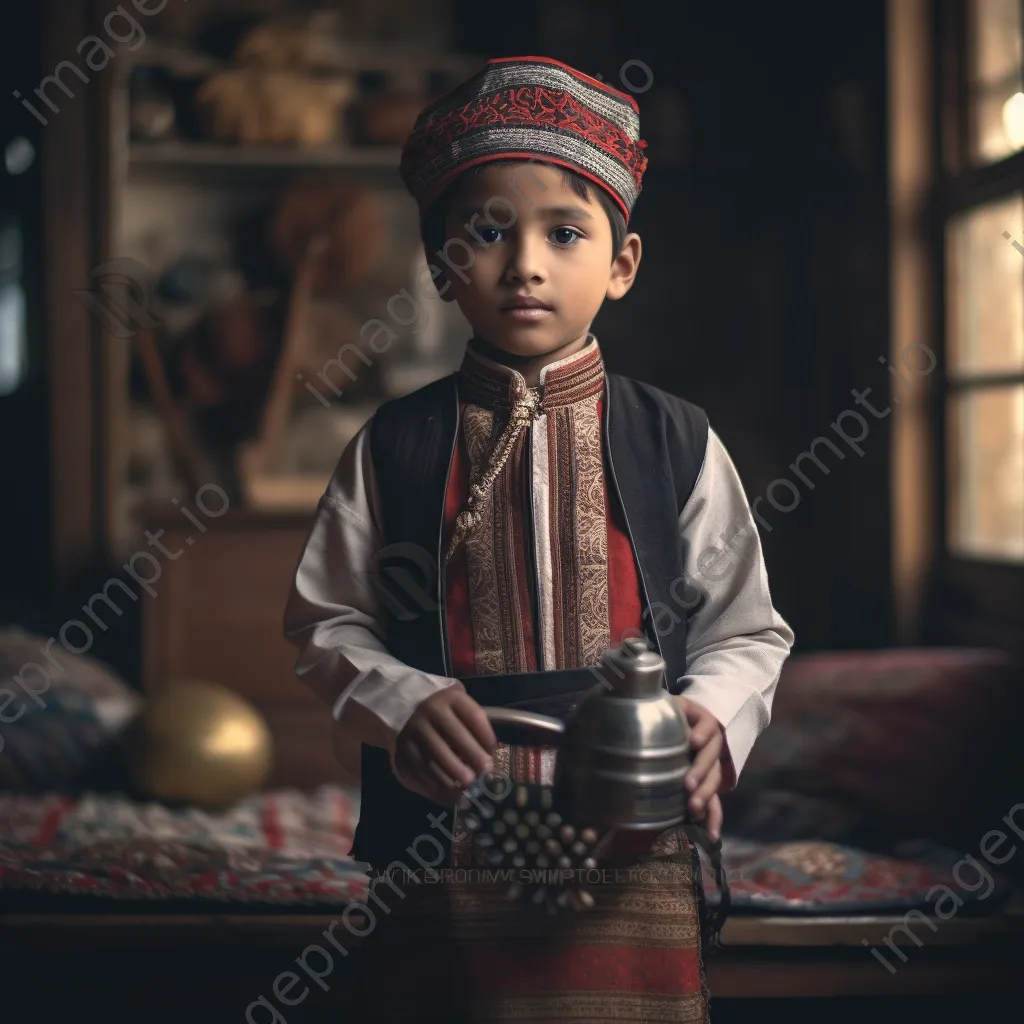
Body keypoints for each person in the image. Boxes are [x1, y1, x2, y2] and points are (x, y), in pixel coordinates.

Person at [284, 55, 794, 1022]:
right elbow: (325, 624)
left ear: (622, 263)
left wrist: (713, 721)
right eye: (486, 231)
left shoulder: (676, 441)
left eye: (565, 232)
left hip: (632, 838)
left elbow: (748, 631)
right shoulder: (394, 445)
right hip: (446, 834)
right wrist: (402, 703)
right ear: (441, 265)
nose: (524, 262)